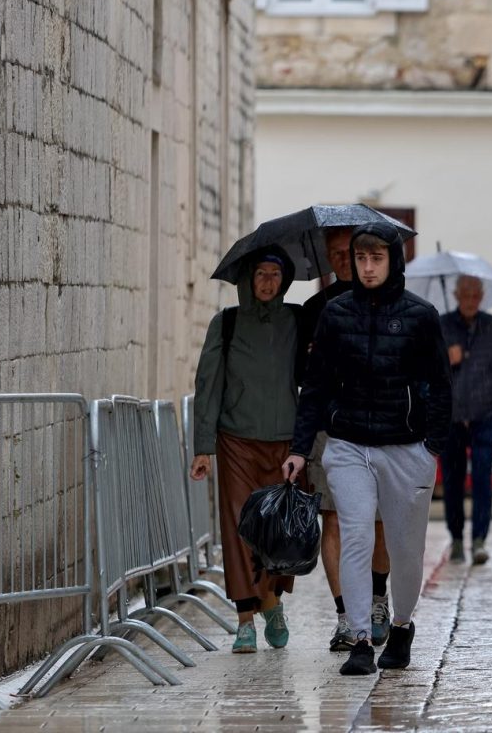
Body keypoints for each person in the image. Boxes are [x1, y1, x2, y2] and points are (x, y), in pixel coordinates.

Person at [284, 218, 452, 677]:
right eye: (361, 258)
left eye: (376, 258)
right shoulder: (335, 315)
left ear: (393, 260)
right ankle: (360, 637)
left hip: (406, 448)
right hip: (349, 445)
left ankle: (400, 625)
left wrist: (431, 446)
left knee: (405, 548)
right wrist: (301, 448)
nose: (368, 266)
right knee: (356, 535)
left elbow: (441, 385)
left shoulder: (421, 316)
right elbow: (315, 386)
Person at [190, 247, 301, 654]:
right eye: (261, 274)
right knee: (241, 531)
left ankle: (271, 603)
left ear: (284, 280)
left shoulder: (297, 321)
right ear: (247, 280)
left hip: (286, 444)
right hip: (236, 441)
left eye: (275, 273)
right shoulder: (227, 324)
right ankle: (244, 621)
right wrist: (203, 447)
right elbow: (209, 385)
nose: (268, 282)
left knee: (278, 533)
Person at [300, 227, 393, 651]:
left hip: (378, 426)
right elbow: (300, 379)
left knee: (377, 522)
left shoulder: (387, 305)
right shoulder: (314, 310)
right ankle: (344, 614)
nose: (345, 260)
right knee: (332, 520)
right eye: (336, 254)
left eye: (351, 252)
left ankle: (377, 600)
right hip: (328, 427)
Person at [439, 275, 492, 565]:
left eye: (475, 294)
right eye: (465, 294)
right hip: (452, 418)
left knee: (483, 479)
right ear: (456, 295)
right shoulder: (442, 325)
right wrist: (447, 359)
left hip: (485, 416)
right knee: (453, 481)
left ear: (481, 296)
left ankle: (480, 539)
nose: (470, 299)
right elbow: (427, 371)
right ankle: (457, 539)